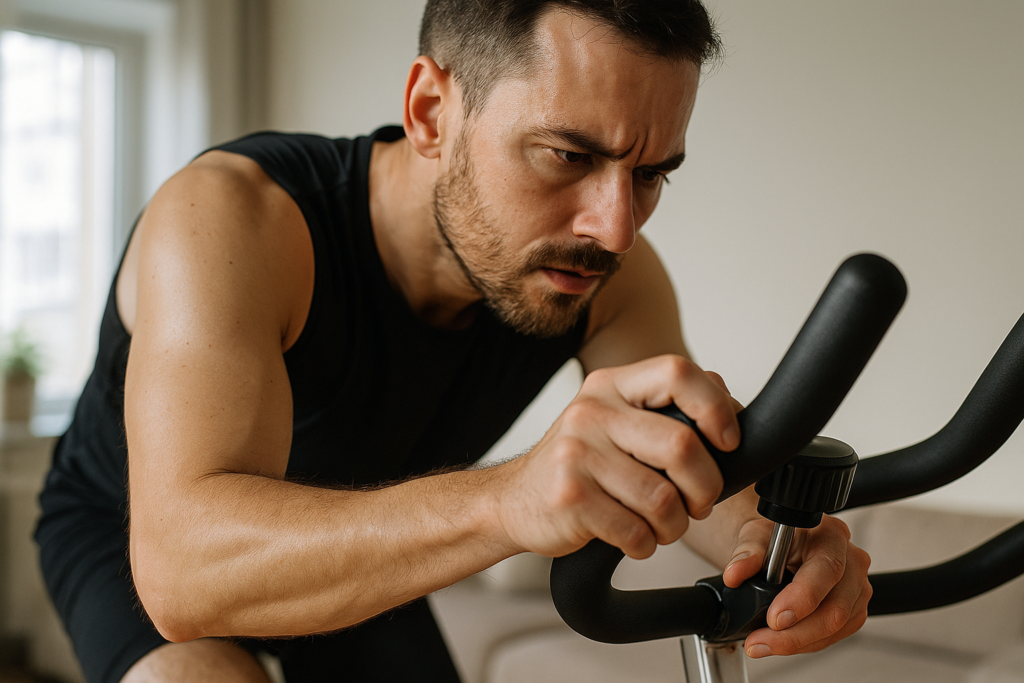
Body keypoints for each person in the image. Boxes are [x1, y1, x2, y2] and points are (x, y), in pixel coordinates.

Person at [35, 1, 872, 681]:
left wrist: (771, 544)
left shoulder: (606, 272)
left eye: (651, 173)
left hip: (370, 538)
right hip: (141, 538)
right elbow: (183, 569)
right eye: (565, 154)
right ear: (432, 111)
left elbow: (684, 461)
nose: (614, 228)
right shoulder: (233, 220)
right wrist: (511, 498)